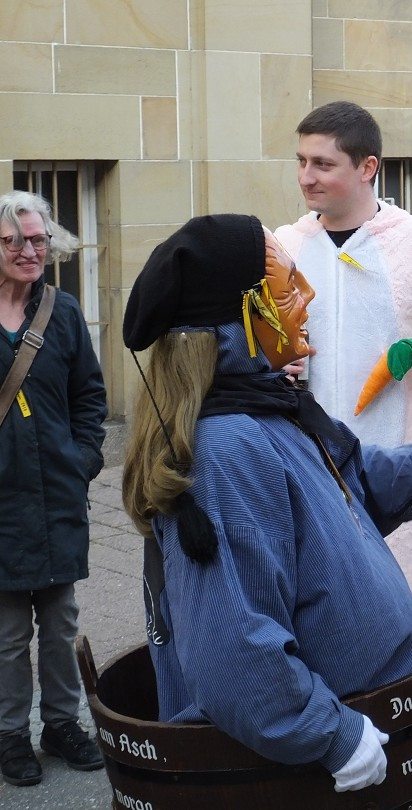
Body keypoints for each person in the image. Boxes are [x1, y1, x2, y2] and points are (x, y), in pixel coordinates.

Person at [121, 213, 412, 792]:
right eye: (288, 288)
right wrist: (328, 734)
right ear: (244, 316)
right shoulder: (226, 449)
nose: (307, 299)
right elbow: (233, 645)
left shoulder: (264, 402)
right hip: (302, 768)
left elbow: (340, 484)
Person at [274, 101, 412, 615]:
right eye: (301, 162)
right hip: (307, 476)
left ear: (367, 168)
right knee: (322, 625)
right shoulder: (283, 247)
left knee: (404, 626)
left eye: (322, 164)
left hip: (400, 478)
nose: (306, 178)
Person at [0, 191, 107, 787]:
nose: (27, 250)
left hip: (57, 496)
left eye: (37, 240)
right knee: (8, 633)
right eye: (13, 240)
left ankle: (61, 724)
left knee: (60, 622)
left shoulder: (61, 312)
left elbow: (89, 396)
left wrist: (83, 459)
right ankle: (11, 733)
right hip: (2, 503)